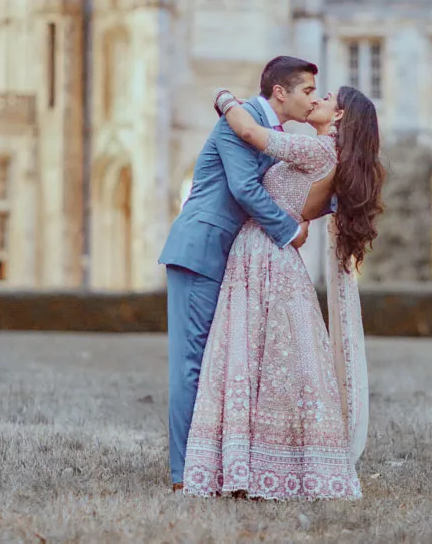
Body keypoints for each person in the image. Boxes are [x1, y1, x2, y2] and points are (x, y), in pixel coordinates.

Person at [182, 84, 384, 501]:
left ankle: (256, 463)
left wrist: (223, 98)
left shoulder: (319, 150)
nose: (314, 101)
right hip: (276, 256)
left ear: (340, 116)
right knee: (277, 362)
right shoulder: (331, 158)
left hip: (262, 253)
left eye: (324, 97)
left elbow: (252, 135)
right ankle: (271, 462)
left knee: (255, 357)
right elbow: (306, 210)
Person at [159, 56, 320, 493]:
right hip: (200, 249)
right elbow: (244, 188)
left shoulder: (269, 133)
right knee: (191, 365)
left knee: (214, 364)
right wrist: (290, 232)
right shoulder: (244, 117)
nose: (312, 99)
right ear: (280, 92)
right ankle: (182, 475)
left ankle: (209, 466)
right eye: (307, 90)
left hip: (224, 254)